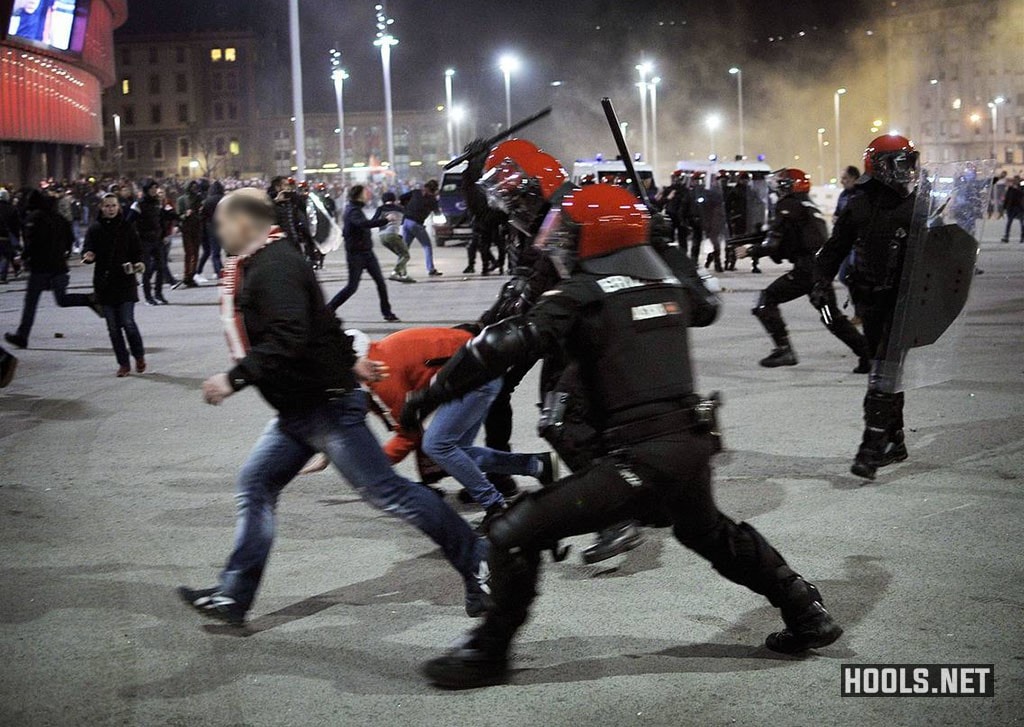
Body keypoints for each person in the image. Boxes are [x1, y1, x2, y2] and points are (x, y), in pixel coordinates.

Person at [402, 183, 842, 689]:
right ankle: (805, 608)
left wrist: (430, 395)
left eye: (570, 234)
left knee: (513, 532)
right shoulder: (671, 290)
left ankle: (488, 654)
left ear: (596, 239)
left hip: (639, 459)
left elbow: (503, 342)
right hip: (689, 444)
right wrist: (666, 241)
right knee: (709, 533)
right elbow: (707, 303)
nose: (560, 243)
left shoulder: (581, 296)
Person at [176, 189, 490, 625]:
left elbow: (288, 336)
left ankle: (480, 559)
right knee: (255, 486)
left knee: (390, 494)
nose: (218, 230)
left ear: (246, 223)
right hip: (299, 409)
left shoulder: (274, 267)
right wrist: (352, 360)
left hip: (323, 406)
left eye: (224, 222)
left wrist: (232, 379)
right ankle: (233, 595)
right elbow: (324, 321)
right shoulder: (270, 261)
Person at [355, 325, 556, 527]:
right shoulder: (381, 350)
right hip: (480, 368)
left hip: (476, 376)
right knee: (455, 451)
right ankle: (537, 465)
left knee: (436, 445)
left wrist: (371, 466)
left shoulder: (381, 374)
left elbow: (409, 434)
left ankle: (496, 506)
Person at [814, 134, 920, 480]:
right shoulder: (858, 203)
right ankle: (895, 440)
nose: (907, 170)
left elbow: (944, 251)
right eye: (900, 162)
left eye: (910, 161)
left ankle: (870, 448)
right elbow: (835, 247)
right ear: (881, 165)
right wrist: (819, 282)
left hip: (903, 301)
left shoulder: (920, 203)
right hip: (870, 297)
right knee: (883, 367)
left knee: (883, 373)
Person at [736, 168, 869, 371]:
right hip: (820, 269)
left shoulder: (788, 205)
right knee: (830, 316)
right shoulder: (807, 204)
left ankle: (784, 349)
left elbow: (773, 244)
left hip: (806, 270)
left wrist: (750, 251)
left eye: (782, 184)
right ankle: (867, 354)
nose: (778, 188)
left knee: (765, 301)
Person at [4, 189, 99, 350]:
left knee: (31, 302)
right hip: (59, 267)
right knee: (61, 299)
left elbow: (34, 242)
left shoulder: (34, 218)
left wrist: (24, 257)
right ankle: (89, 299)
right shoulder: (59, 218)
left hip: (40, 268)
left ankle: (22, 336)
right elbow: (70, 240)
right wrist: (63, 254)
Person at [82, 194, 147, 377]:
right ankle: (123, 363)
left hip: (125, 283)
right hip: (105, 284)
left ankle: (139, 355)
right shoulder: (95, 229)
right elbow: (88, 249)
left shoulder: (127, 227)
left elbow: (137, 250)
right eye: (107, 206)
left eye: (113, 206)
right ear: (101, 208)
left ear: (119, 207)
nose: (110, 209)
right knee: (113, 328)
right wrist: (88, 256)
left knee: (128, 322)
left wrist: (139, 263)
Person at [327, 185, 399, 322]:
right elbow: (363, 224)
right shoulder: (352, 211)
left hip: (367, 253)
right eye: (365, 193)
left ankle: (387, 312)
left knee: (380, 283)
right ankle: (328, 309)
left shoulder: (356, 209)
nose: (367, 195)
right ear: (358, 195)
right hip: (357, 255)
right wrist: (386, 219)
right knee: (352, 287)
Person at [133, 181, 171, 305]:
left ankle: (158, 294)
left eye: (156, 188)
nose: (154, 190)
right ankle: (148, 297)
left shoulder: (157, 203)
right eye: (152, 188)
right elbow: (128, 222)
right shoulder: (138, 204)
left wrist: (164, 234)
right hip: (144, 241)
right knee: (146, 268)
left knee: (160, 267)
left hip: (157, 240)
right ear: (146, 190)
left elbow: (161, 220)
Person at [401, 180, 443, 276]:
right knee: (427, 246)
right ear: (435, 190)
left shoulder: (416, 192)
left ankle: (400, 270)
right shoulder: (432, 200)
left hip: (406, 221)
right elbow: (437, 213)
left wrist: (408, 207)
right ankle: (431, 269)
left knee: (404, 248)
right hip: (416, 224)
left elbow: (401, 198)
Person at [377, 191, 413, 282]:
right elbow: (403, 221)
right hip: (392, 234)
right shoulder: (400, 209)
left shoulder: (380, 209)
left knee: (401, 255)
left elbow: (374, 220)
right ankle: (395, 272)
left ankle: (404, 275)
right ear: (394, 199)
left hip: (382, 236)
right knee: (405, 255)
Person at [174, 180, 204, 287]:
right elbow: (178, 216)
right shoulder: (181, 200)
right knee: (189, 253)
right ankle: (187, 275)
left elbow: (202, 212)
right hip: (187, 229)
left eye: (195, 187)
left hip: (196, 227)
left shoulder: (199, 198)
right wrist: (185, 215)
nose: (194, 189)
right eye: (192, 187)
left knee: (195, 253)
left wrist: (200, 212)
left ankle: (191, 275)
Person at [196, 180, 224, 281]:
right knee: (220, 251)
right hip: (224, 226)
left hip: (211, 227)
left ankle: (219, 271)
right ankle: (220, 271)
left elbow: (202, 215)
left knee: (214, 251)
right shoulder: (225, 199)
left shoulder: (208, 200)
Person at [0, 188, 21, 283]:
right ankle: (2, 275)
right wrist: (16, 236)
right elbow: (16, 224)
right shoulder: (12, 208)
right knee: (6, 256)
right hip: (6, 235)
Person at [1001, 175, 1022, 244]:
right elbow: (1007, 198)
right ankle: (1006, 237)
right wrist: (1004, 207)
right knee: (1009, 223)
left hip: (1020, 208)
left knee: (1022, 223)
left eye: (1017, 180)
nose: (1016, 181)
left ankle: (1022, 237)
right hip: (1011, 207)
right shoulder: (1010, 188)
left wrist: (1018, 187)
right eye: (1015, 179)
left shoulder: (1021, 187)